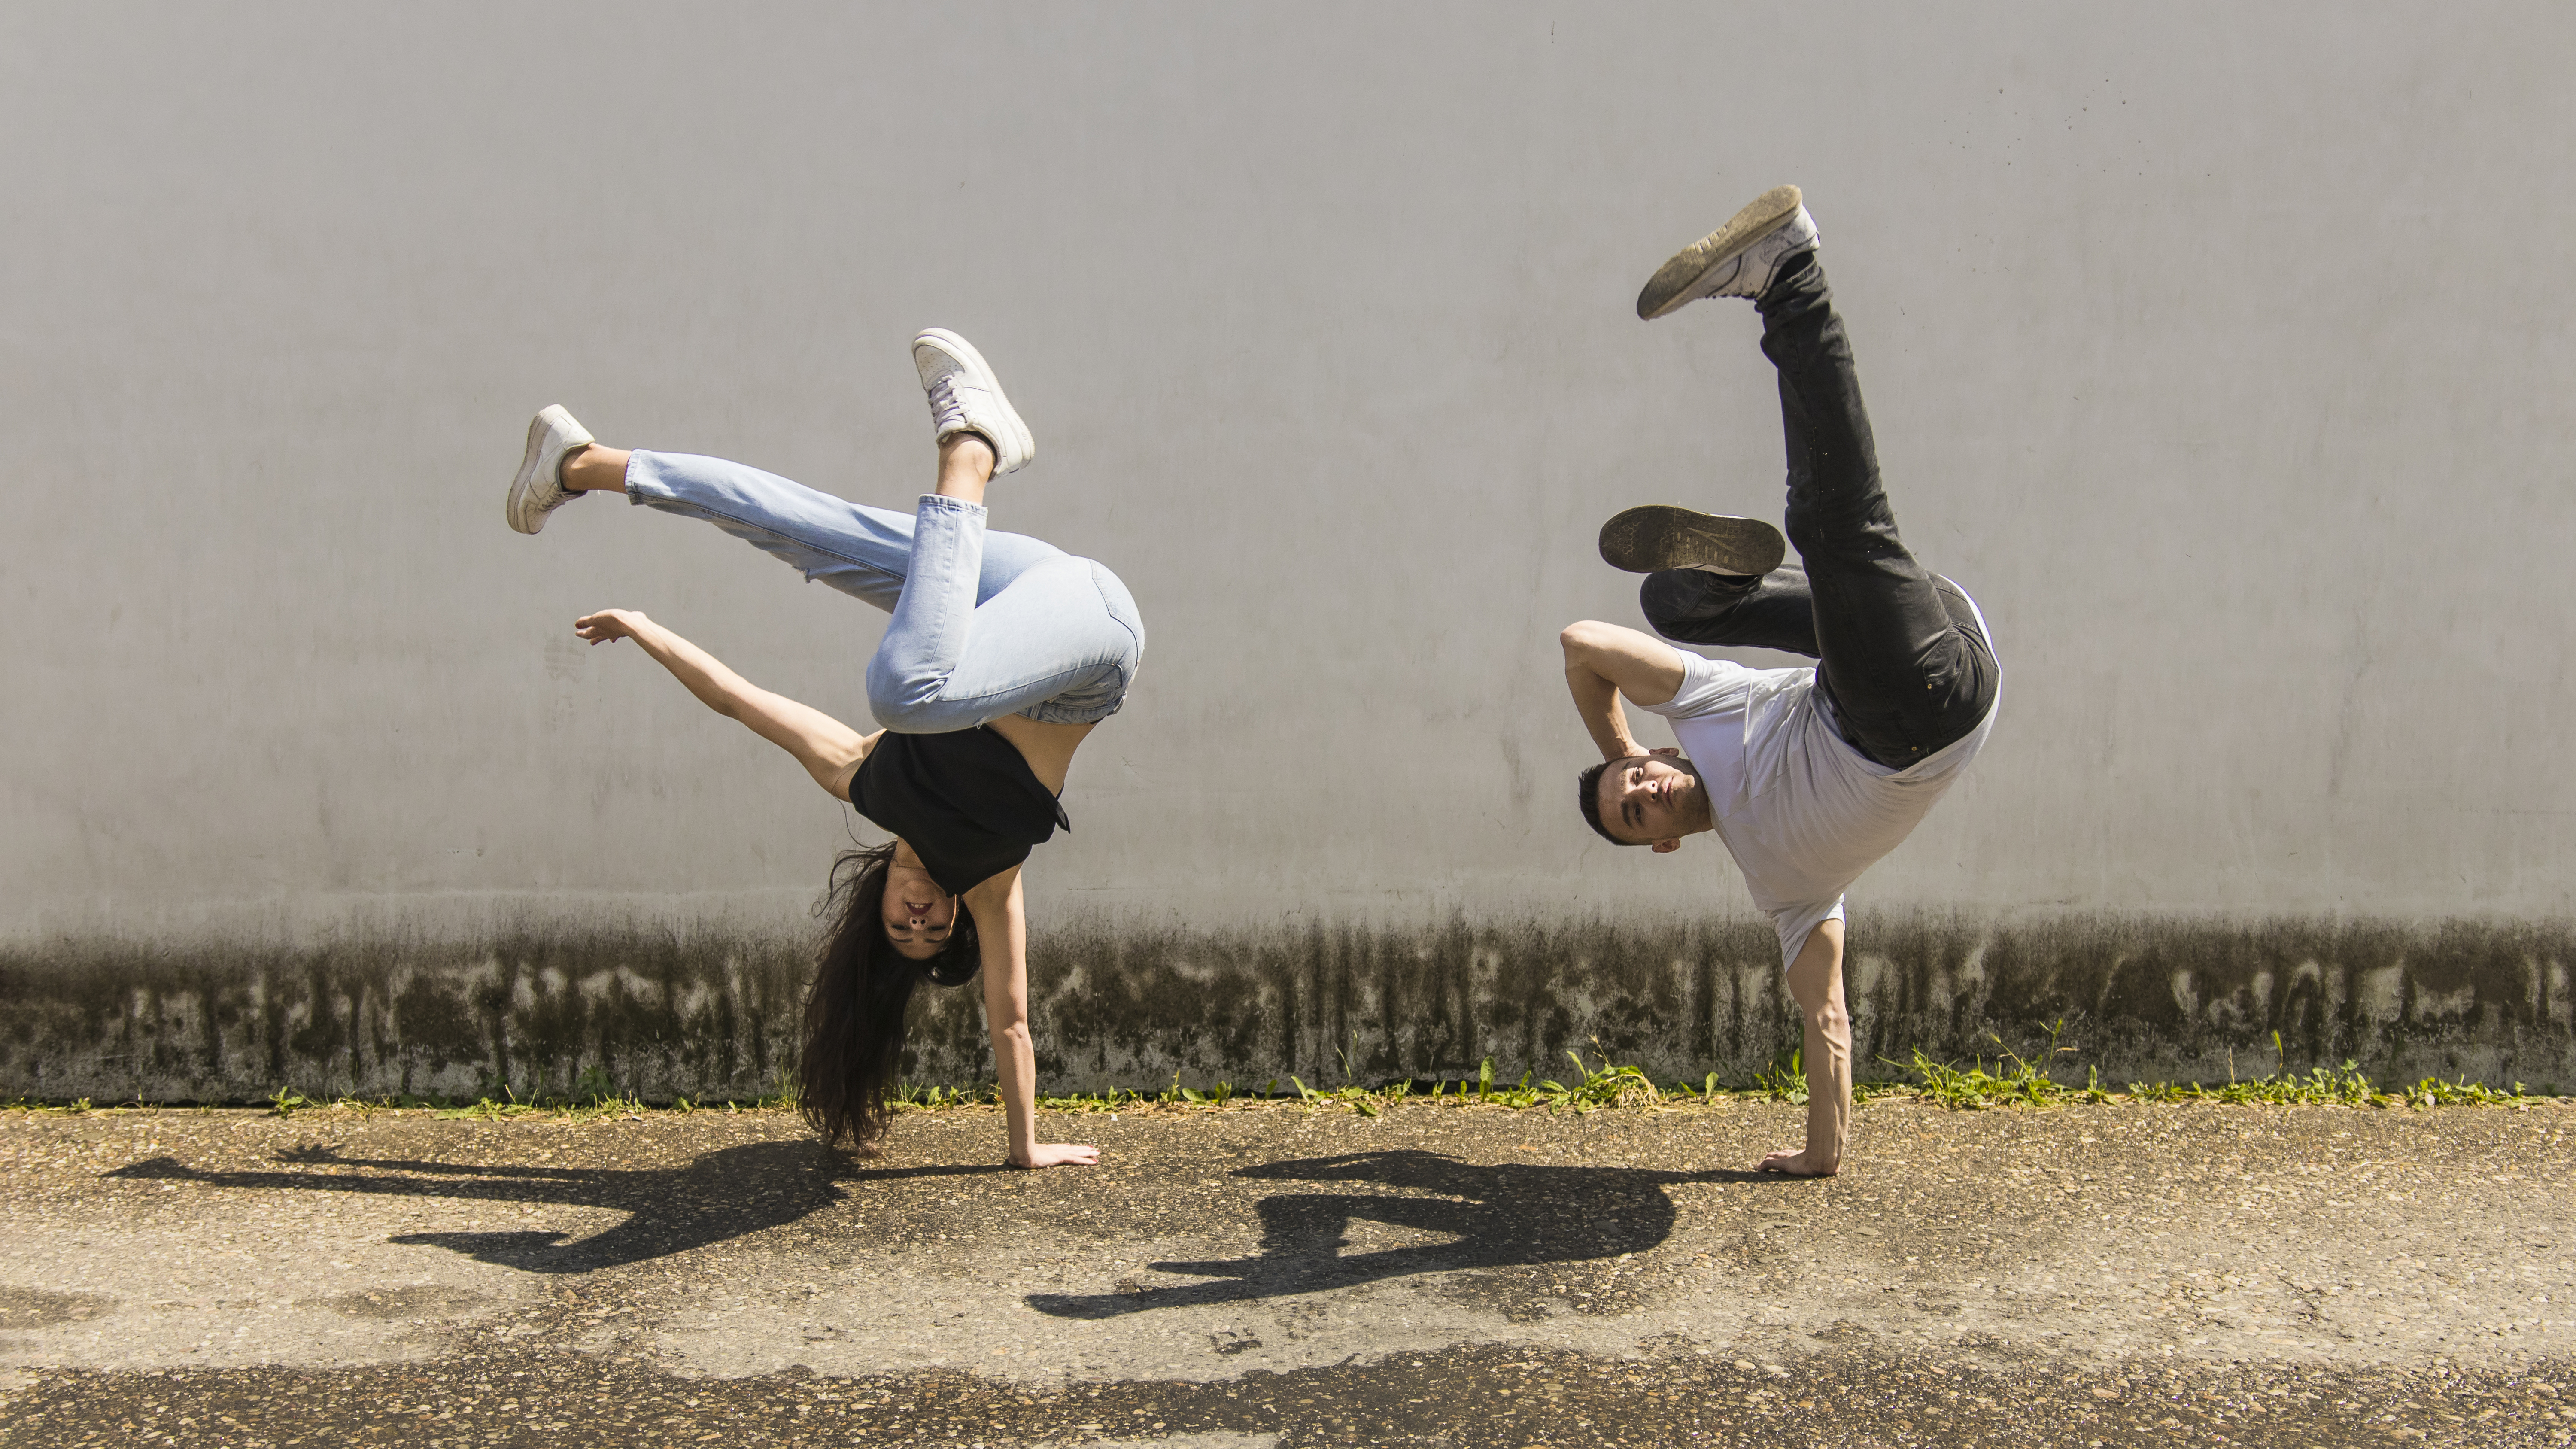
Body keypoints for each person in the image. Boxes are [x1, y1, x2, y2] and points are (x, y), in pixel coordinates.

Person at [503, 329, 1142, 1169]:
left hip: (1022, 590)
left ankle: (579, 462)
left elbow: (739, 702)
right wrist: (1027, 1145)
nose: (920, 920)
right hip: (1092, 645)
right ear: (955, 918)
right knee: (905, 692)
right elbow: (1012, 1017)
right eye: (932, 930)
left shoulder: (860, 777)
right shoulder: (990, 881)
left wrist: (648, 628)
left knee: (796, 530)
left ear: (878, 907)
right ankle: (972, 446)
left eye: (901, 930)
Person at [1558, 186, 2001, 1178]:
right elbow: (1827, 1015)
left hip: (1914, 626)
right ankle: (1789, 275)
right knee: (1836, 528)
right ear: (1667, 843)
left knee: (1675, 609)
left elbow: (1582, 640)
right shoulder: (1785, 886)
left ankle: (1729, 574)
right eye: (1635, 815)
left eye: (1633, 785)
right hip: (1918, 709)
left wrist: (1618, 750)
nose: (1641, 794)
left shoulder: (1708, 712)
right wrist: (1820, 1153)